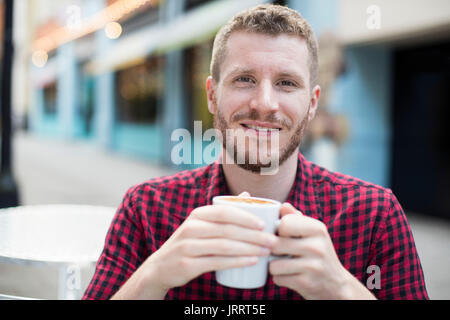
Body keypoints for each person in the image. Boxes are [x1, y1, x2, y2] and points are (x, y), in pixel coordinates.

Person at [83, 4, 428, 300]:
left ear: (311, 104)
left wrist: (341, 288)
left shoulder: (374, 216)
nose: (264, 104)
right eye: (244, 79)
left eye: (287, 83)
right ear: (212, 95)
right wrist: (154, 275)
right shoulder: (145, 210)